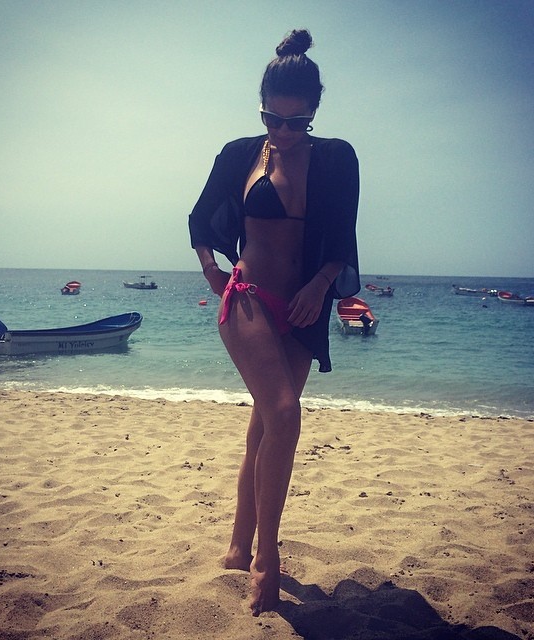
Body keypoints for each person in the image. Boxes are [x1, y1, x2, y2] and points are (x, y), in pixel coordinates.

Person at [188, 29, 360, 616]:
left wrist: (320, 285)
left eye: (297, 122)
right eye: (273, 119)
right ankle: (267, 556)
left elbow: (341, 239)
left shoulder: (337, 158)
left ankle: (239, 546)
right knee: (285, 413)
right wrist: (212, 271)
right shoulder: (239, 154)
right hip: (249, 298)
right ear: (261, 106)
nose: (283, 132)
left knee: (266, 424)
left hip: (304, 307)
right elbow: (199, 220)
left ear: (314, 112)